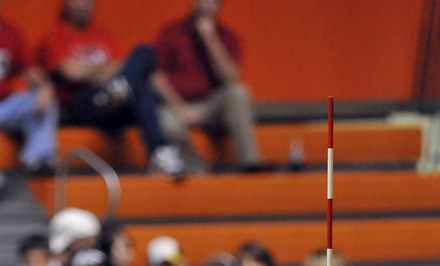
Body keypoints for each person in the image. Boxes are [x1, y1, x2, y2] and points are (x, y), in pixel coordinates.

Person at [36, 0, 185, 178]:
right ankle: (159, 150)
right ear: (68, 4)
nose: (84, 6)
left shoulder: (102, 35)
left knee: (145, 53)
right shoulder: (55, 35)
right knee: (135, 85)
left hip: (111, 105)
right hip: (81, 104)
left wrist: (96, 72)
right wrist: (105, 70)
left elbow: (120, 67)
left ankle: (159, 153)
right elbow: (72, 73)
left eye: (89, 2)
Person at [153, 0, 261, 172]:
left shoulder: (227, 37)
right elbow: (157, 77)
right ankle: (200, 174)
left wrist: (211, 40)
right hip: (179, 106)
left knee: (239, 93)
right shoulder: (172, 33)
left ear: (219, 6)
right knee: (163, 121)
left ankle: (250, 165)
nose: (206, 5)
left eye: (213, 2)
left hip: (213, 106)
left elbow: (231, 77)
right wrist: (181, 109)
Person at [0, 1, 58, 188]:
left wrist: (44, 87)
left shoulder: (9, 33)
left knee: (42, 99)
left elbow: (30, 70)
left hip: (5, 106)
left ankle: (39, 160)